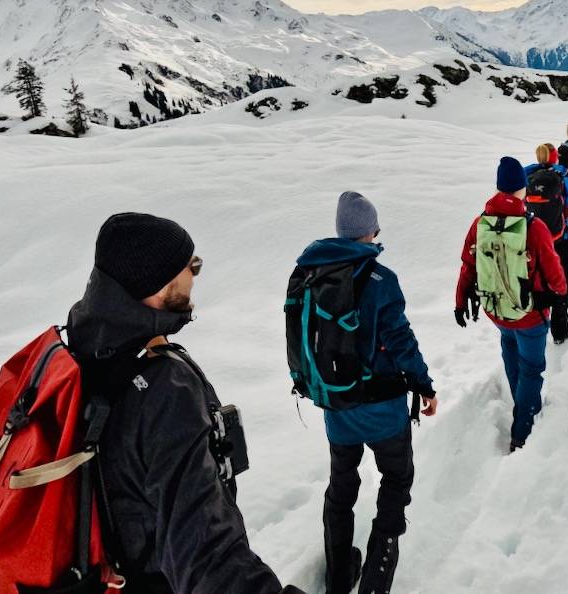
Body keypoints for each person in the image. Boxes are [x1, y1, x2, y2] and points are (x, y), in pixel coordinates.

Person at [67, 212, 305, 594]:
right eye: (190, 265)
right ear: (158, 283)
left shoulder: (87, 343)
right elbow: (208, 559)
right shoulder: (165, 393)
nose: (196, 273)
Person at [294, 192, 437, 594]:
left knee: (341, 486)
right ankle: (375, 579)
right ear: (368, 230)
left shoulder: (313, 272)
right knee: (396, 479)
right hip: (383, 412)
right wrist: (424, 385)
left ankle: (338, 577)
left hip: (336, 407)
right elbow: (401, 341)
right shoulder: (380, 279)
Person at [455, 158, 566, 452]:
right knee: (531, 369)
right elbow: (556, 274)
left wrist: (459, 302)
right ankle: (522, 431)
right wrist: (556, 294)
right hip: (530, 315)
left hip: (496, 309)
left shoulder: (480, 223)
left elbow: (467, 265)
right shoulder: (534, 226)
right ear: (522, 189)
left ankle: (522, 403)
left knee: (510, 349)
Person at [524, 144, 568, 345]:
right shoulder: (562, 181)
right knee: (564, 281)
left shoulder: (527, 180)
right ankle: (560, 329)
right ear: (555, 158)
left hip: (534, 241)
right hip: (560, 241)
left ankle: (537, 325)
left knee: (539, 280)